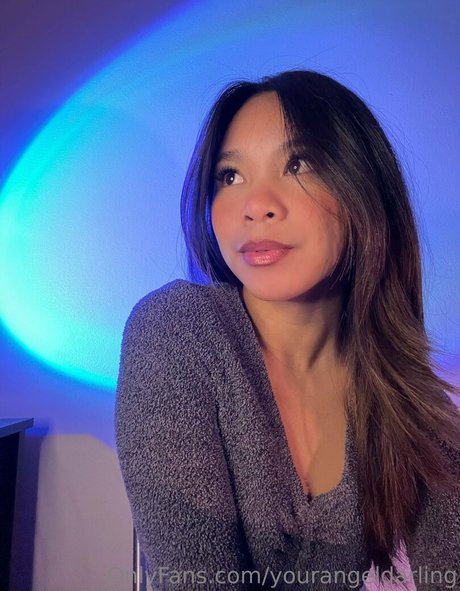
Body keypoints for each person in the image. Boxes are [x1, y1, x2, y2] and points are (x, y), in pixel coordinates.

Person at [115, 70, 460, 590]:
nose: (256, 206)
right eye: (230, 176)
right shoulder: (179, 331)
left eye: (298, 164)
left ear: (363, 188)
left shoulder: (405, 393)